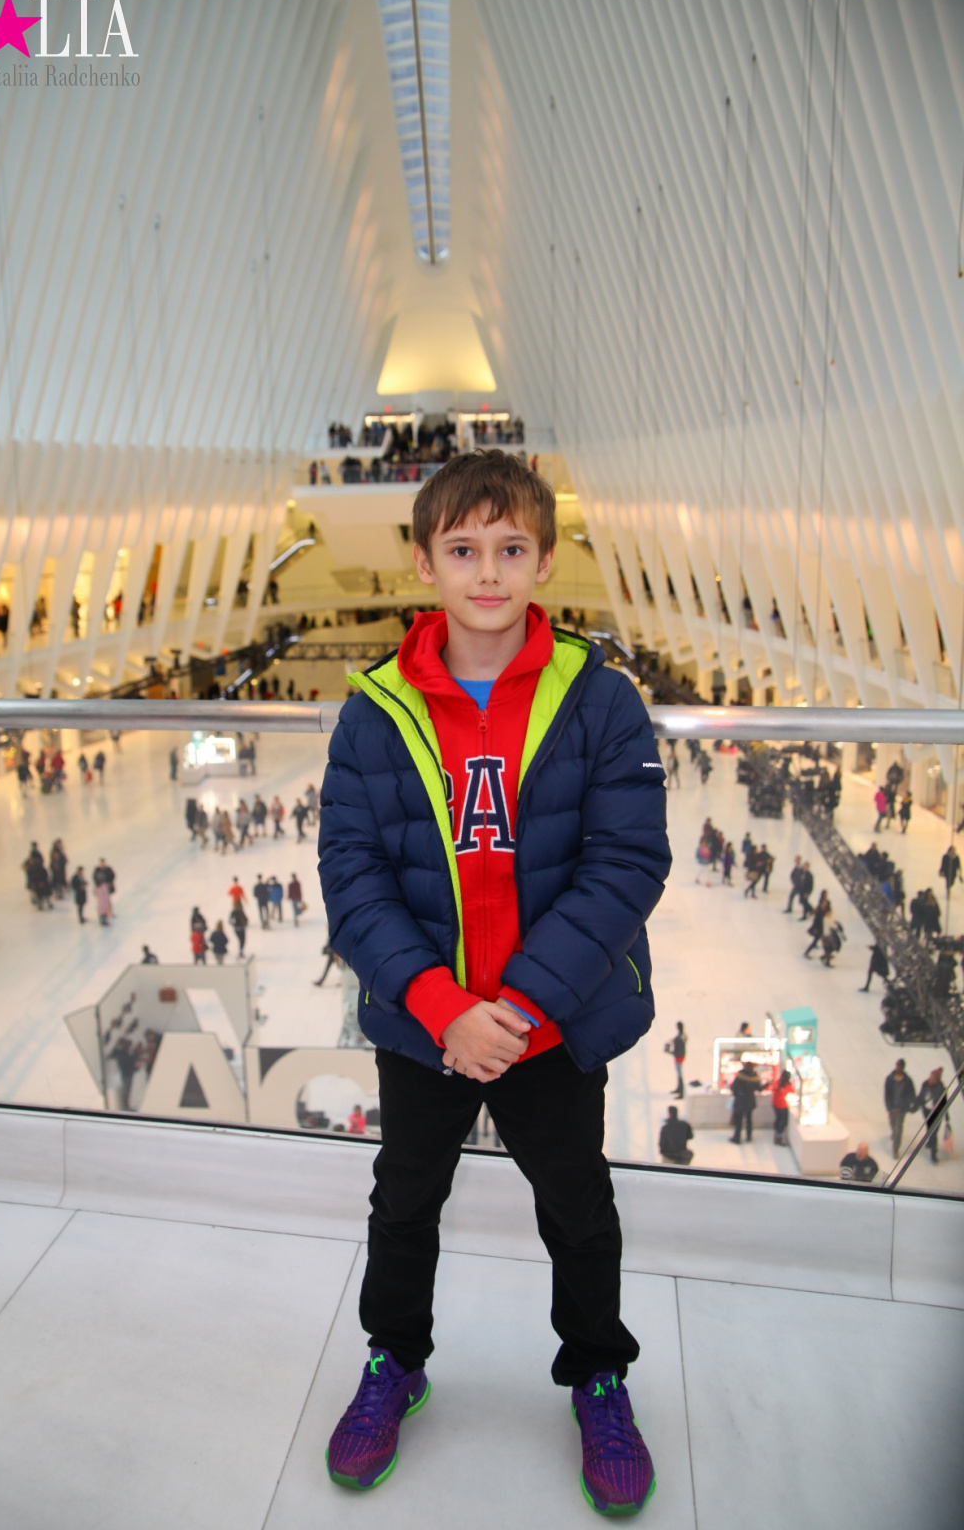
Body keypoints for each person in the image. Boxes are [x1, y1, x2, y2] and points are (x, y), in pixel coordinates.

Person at [317, 452, 670, 1514]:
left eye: (509, 550)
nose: (486, 572)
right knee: (404, 1201)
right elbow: (351, 873)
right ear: (424, 561)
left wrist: (512, 1012)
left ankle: (597, 1373)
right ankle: (395, 1361)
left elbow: (623, 864)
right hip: (426, 1025)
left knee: (577, 1206)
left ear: (543, 561)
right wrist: (438, 1008)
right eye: (463, 550)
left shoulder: (598, 702)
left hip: (544, 1029)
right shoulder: (375, 711)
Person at [884, 1059, 916, 1159]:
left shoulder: (907, 1081)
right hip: (892, 1108)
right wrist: (889, 1107)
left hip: (901, 1109)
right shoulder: (889, 1079)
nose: (898, 1068)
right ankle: (894, 1133)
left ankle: (895, 1149)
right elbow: (886, 1094)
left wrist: (907, 1105)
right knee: (892, 1123)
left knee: (898, 1128)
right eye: (897, 1066)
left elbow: (912, 1094)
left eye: (900, 1067)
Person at [915, 1068, 949, 1164]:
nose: (931, 1078)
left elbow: (945, 1103)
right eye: (931, 1076)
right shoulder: (925, 1084)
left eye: (933, 1077)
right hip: (927, 1112)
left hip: (936, 1113)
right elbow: (920, 1096)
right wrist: (915, 1106)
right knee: (930, 1128)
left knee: (933, 1132)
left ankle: (933, 1153)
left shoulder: (941, 1088)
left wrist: (947, 1117)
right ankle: (930, 1142)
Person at [730, 1060, 762, 1143]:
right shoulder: (754, 1077)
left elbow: (734, 1088)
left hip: (740, 1101)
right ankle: (748, 1136)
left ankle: (737, 1138)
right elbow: (759, 1088)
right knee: (749, 1120)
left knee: (739, 1121)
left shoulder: (740, 1076)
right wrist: (768, 1084)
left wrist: (739, 1094)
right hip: (750, 1102)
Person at [771, 1069, 793, 1146]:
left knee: (778, 1119)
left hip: (775, 1104)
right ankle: (779, 1137)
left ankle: (777, 1135)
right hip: (782, 1106)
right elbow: (793, 1092)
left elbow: (773, 1089)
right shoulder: (788, 1086)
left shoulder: (777, 1082)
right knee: (783, 1121)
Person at [665, 1022, 686, 1098]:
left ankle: (681, 1091)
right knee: (679, 1074)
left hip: (679, 1057)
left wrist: (671, 1052)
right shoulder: (682, 1036)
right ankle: (679, 1089)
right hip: (680, 1056)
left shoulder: (679, 1037)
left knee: (679, 1074)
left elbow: (678, 1049)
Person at [92, 858, 115, 925]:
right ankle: (102, 917)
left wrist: (109, 882)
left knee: (107, 902)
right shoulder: (97, 870)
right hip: (100, 889)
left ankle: (107, 915)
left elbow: (112, 875)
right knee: (102, 904)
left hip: (106, 888)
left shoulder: (107, 869)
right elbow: (95, 878)